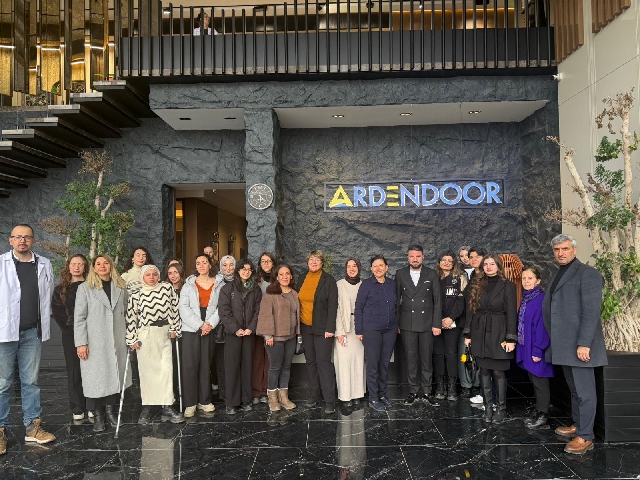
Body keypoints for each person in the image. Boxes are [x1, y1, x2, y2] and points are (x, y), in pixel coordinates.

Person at [543, 234, 606, 455]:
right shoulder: (560, 272)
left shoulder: (588, 274)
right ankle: (579, 425)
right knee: (575, 390)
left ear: (575, 250)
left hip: (580, 346)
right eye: (557, 249)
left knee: (585, 391)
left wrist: (584, 344)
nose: (561, 253)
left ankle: (585, 436)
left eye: (565, 249)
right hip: (564, 345)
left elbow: (591, 312)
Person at [0, 224, 56, 454]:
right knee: (2, 383)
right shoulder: (1, 263)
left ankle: (33, 427)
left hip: (32, 332)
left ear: (33, 240)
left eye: (27, 237)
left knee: (31, 382)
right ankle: (0, 430)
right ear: (11, 240)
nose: (22, 240)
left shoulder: (44, 264)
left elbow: (48, 293)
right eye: (18, 237)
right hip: (5, 333)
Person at [75, 254, 132, 432]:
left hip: (116, 339)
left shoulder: (120, 287)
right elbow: (79, 318)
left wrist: (130, 335)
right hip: (95, 340)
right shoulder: (85, 288)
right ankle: (98, 415)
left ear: (111, 266)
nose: (102, 266)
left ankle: (110, 411)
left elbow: (127, 311)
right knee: (95, 379)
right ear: (93, 268)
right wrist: (81, 343)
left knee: (113, 375)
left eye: (106, 263)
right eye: (98, 263)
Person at [464, 254, 517, 424]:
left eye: (492, 264)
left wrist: (511, 338)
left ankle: (500, 408)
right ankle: (488, 407)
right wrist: (468, 334)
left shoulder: (508, 286)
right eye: (485, 264)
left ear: (498, 266)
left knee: (498, 371)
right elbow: (471, 310)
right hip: (479, 331)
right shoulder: (477, 284)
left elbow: (511, 313)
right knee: (484, 370)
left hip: (499, 331)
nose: (488, 267)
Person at [126, 265, 183, 424]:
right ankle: (147, 407)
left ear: (158, 275)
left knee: (166, 370)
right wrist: (132, 338)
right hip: (146, 335)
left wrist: (174, 328)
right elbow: (131, 318)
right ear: (142, 277)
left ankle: (167, 406)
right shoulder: (136, 294)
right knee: (147, 373)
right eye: (148, 275)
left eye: (154, 274)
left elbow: (175, 310)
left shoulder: (167, 288)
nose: (151, 277)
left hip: (164, 335)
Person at [395, 244, 442, 406]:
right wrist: (397, 323)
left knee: (427, 358)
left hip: (427, 324)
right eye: (412, 256)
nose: (415, 259)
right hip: (407, 323)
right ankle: (413, 391)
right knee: (411, 358)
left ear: (423, 257)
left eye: (418, 256)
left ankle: (427, 391)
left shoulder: (431, 274)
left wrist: (437, 324)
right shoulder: (400, 274)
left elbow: (438, 301)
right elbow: (396, 301)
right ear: (408, 258)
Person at [178, 254, 223, 417]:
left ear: (210, 265)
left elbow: (221, 307)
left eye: (204, 262)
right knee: (190, 365)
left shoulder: (219, 283)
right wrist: (200, 325)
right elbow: (183, 307)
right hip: (191, 328)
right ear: (195, 266)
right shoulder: (188, 284)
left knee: (205, 364)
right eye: (198, 263)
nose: (201, 265)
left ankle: (204, 400)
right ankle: (190, 403)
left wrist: (209, 324)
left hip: (210, 326)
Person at [219, 259, 262, 415]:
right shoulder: (227, 288)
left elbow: (258, 311)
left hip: (249, 334)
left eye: (249, 269)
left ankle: (246, 400)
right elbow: (224, 311)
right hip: (233, 334)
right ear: (238, 270)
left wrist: (251, 328)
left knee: (247, 366)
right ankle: (231, 402)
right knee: (232, 367)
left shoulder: (256, 289)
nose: (246, 272)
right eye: (243, 269)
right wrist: (235, 329)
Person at [297, 251, 338, 414]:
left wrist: (330, 329)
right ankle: (315, 395)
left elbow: (333, 306)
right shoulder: (302, 278)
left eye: (317, 260)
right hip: (305, 328)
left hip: (323, 330)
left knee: (323, 363)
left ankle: (329, 400)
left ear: (322, 263)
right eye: (311, 259)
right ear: (307, 262)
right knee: (311, 362)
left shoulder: (329, 280)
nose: (314, 262)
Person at [355, 255, 397, 412]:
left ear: (387, 267)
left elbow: (397, 305)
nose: (378, 268)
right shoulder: (366, 284)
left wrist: (397, 324)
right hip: (371, 330)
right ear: (371, 269)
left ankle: (382, 394)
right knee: (373, 364)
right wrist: (359, 330)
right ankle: (373, 397)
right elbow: (359, 307)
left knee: (384, 364)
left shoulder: (392, 284)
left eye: (381, 265)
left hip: (390, 329)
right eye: (375, 266)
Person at [256, 264, 299, 412]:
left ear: (291, 276)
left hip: (291, 337)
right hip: (275, 338)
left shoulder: (294, 293)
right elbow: (265, 314)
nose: (285, 277)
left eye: (287, 274)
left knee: (286, 367)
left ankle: (284, 398)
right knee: (275, 368)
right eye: (281, 274)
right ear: (277, 277)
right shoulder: (271, 293)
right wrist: (268, 335)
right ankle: (273, 399)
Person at [52, 254, 89, 421]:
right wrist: (75, 333)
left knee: (91, 370)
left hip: (92, 335)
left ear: (85, 267)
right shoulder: (60, 290)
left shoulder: (92, 286)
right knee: (74, 370)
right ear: (69, 266)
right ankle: (77, 406)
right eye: (74, 264)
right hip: (70, 335)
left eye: (80, 264)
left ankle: (92, 404)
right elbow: (59, 314)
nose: (77, 267)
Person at [516, 265, 553, 430]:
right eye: (524, 278)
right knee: (534, 379)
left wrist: (538, 349)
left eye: (530, 278)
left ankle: (543, 414)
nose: (526, 281)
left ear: (538, 280)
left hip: (537, 347)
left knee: (540, 381)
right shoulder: (526, 298)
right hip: (527, 346)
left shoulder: (541, 299)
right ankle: (539, 409)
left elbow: (542, 327)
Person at [433, 251, 467, 401]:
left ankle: (452, 388)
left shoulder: (460, 278)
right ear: (439, 262)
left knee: (451, 354)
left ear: (454, 263)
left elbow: (461, 302)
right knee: (438, 354)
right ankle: (440, 387)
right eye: (443, 260)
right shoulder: (433, 277)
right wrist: (438, 320)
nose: (446, 263)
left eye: (449, 260)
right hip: (436, 323)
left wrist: (451, 318)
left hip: (453, 323)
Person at [334, 258, 366, 407]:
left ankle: (358, 394)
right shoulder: (339, 285)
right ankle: (345, 396)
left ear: (359, 268)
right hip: (343, 329)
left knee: (358, 362)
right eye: (348, 266)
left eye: (354, 266)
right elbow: (335, 309)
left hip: (360, 329)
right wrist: (339, 331)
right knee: (344, 363)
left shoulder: (364, 285)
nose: (351, 269)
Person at [252, 252, 276, 405]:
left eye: (268, 261)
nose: (266, 263)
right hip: (257, 324)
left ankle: (266, 391)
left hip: (273, 325)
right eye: (263, 261)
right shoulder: (255, 281)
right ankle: (256, 391)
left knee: (270, 359)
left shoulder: (278, 280)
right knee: (257, 358)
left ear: (273, 263)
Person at [211, 255, 236, 400]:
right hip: (220, 327)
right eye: (225, 265)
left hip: (236, 326)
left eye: (231, 264)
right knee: (221, 361)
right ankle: (223, 392)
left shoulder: (239, 280)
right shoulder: (216, 282)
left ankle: (234, 392)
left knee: (234, 361)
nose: (228, 268)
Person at [462, 246, 485, 401]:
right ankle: (482, 392)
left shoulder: (487, 276)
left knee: (484, 360)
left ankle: (485, 394)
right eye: (471, 257)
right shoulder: (473, 277)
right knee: (476, 358)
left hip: (483, 324)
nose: (473, 259)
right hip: (472, 322)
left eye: (477, 256)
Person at [165, 261, 186, 405]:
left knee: (183, 362)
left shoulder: (186, 288)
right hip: (170, 331)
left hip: (185, 330)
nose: (173, 276)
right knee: (171, 362)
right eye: (170, 273)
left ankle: (183, 390)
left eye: (175, 272)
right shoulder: (164, 290)